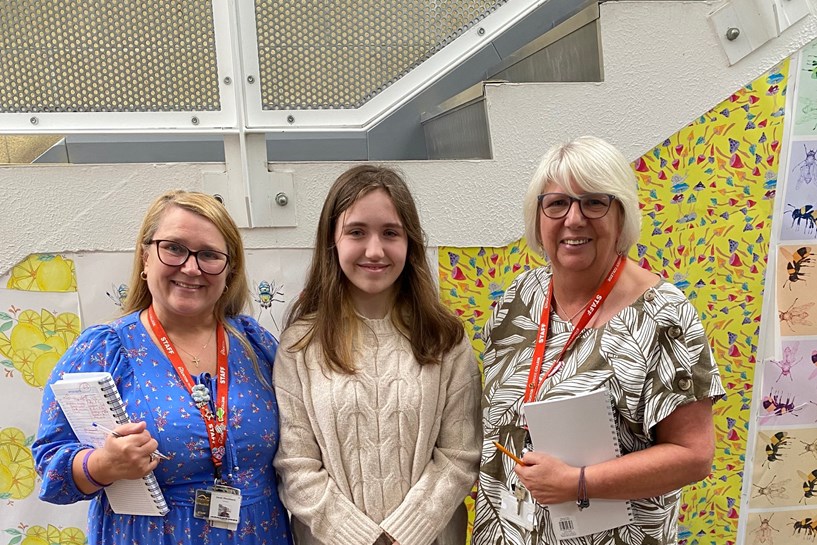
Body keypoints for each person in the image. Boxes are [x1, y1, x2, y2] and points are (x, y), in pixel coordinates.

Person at [472, 136, 725, 545]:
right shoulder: (521, 298)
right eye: (556, 203)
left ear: (621, 215)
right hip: (507, 530)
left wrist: (579, 482)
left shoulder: (664, 315)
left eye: (594, 202)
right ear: (538, 217)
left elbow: (694, 455)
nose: (573, 219)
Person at [33, 190, 293, 545]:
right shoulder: (103, 351)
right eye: (173, 248)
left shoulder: (257, 346)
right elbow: (50, 469)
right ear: (145, 256)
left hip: (259, 533)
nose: (191, 267)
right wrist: (101, 465)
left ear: (230, 269)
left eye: (209, 255)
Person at [273, 165, 481, 545]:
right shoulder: (299, 346)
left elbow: (459, 456)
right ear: (332, 242)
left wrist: (402, 534)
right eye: (356, 232)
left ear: (410, 242)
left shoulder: (445, 339)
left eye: (390, 233)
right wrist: (361, 537)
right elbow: (296, 465)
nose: (374, 250)